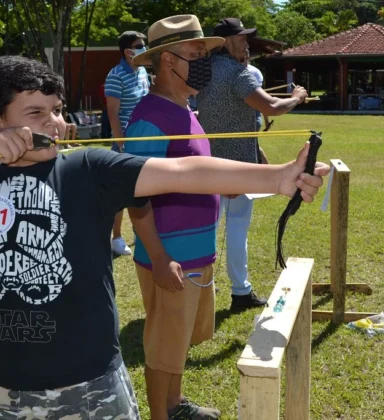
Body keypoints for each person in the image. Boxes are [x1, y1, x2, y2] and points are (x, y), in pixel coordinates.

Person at [0, 54, 328, 419]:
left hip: (91, 388)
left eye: (58, 110)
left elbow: (182, 171)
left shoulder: (88, 169)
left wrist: (279, 176)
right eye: (36, 113)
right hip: (5, 391)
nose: (55, 123)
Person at [124, 15, 226, 420]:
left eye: (204, 54)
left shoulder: (185, 109)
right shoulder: (149, 119)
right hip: (170, 256)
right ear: (167, 60)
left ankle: (175, 404)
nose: (203, 62)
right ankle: (160, 416)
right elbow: (135, 196)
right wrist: (161, 257)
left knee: (183, 340)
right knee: (164, 346)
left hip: (197, 253)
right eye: (195, 55)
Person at [197, 18, 308, 311]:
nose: (247, 43)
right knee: (235, 229)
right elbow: (271, 107)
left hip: (206, 160)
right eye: (241, 38)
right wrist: (296, 98)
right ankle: (240, 292)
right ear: (224, 42)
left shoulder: (202, 71)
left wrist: (256, 149)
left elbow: (226, 115)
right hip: (236, 168)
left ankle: (201, 288)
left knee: (206, 228)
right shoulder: (239, 73)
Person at [104, 31, 151, 257]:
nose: (144, 48)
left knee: (146, 189)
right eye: (140, 45)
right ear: (127, 51)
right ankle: (116, 238)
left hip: (146, 140)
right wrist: (121, 144)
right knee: (121, 193)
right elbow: (113, 114)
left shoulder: (142, 71)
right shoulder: (116, 75)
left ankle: (142, 233)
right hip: (125, 143)